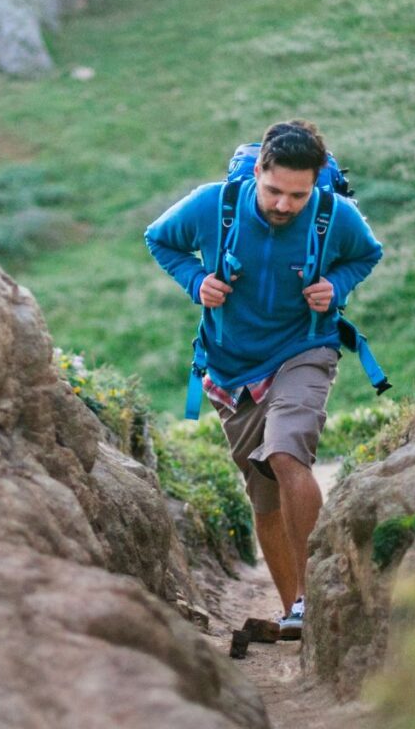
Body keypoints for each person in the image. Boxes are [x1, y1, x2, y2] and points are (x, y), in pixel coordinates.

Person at [144, 120, 382, 638]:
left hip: (305, 348)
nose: (283, 205)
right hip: (232, 366)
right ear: (257, 172)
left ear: (315, 185)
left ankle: (326, 592)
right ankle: (296, 604)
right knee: (264, 495)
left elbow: (367, 253)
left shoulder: (331, 213)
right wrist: (195, 280)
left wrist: (335, 286)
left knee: (286, 453)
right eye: (274, 191)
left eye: (298, 195)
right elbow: (159, 239)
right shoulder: (214, 205)